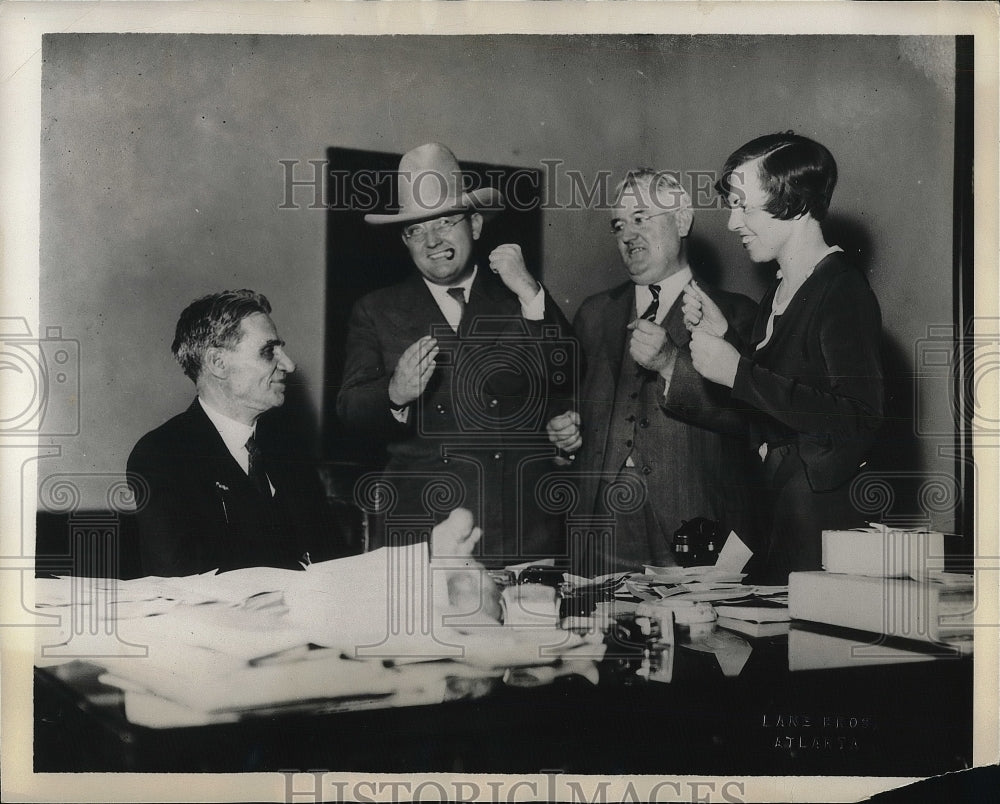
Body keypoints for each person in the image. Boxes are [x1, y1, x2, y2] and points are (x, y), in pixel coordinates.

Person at [337, 143, 574, 566]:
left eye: (446, 222)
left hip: (520, 528)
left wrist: (530, 292)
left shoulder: (517, 295)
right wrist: (394, 394)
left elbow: (570, 370)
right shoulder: (376, 310)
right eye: (416, 230)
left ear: (476, 225)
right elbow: (350, 408)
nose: (432, 240)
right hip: (419, 531)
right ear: (405, 242)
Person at [685, 132, 883, 582]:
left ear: (793, 204)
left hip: (817, 528)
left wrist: (737, 371)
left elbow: (858, 418)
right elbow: (777, 410)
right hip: (776, 519)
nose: (732, 222)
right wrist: (728, 343)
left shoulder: (841, 289)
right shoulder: (777, 293)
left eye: (743, 206)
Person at [548, 168, 758, 574]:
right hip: (601, 529)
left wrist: (669, 364)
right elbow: (569, 408)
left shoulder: (737, 314)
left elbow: (749, 420)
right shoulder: (594, 314)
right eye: (619, 225)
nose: (627, 235)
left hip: (694, 528)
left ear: (681, 221)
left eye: (641, 218)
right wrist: (563, 436)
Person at [127, 290, 343, 576]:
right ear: (218, 363)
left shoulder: (288, 449)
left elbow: (333, 560)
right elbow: (182, 579)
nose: (289, 365)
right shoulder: (162, 455)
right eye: (269, 352)